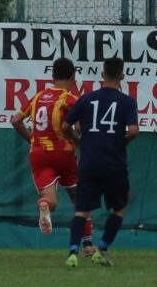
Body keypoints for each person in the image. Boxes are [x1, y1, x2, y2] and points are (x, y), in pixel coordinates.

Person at [10, 57, 95, 256]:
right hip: (63, 154)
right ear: (74, 76)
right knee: (81, 201)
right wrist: (78, 139)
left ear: (52, 76)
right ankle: (88, 245)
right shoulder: (70, 99)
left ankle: (44, 205)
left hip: (38, 154)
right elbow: (78, 127)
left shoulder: (38, 96)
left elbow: (15, 120)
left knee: (50, 199)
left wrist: (32, 139)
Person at [62, 57, 139, 267]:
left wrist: (79, 141)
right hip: (114, 162)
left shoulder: (86, 99)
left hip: (89, 162)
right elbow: (133, 131)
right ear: (122, 75)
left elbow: (65, 125)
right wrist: (122, 142)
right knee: (120, 206)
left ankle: (72, 253)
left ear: (102, 74)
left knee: (82, 209)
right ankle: (102, 249)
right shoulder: (127, 101)